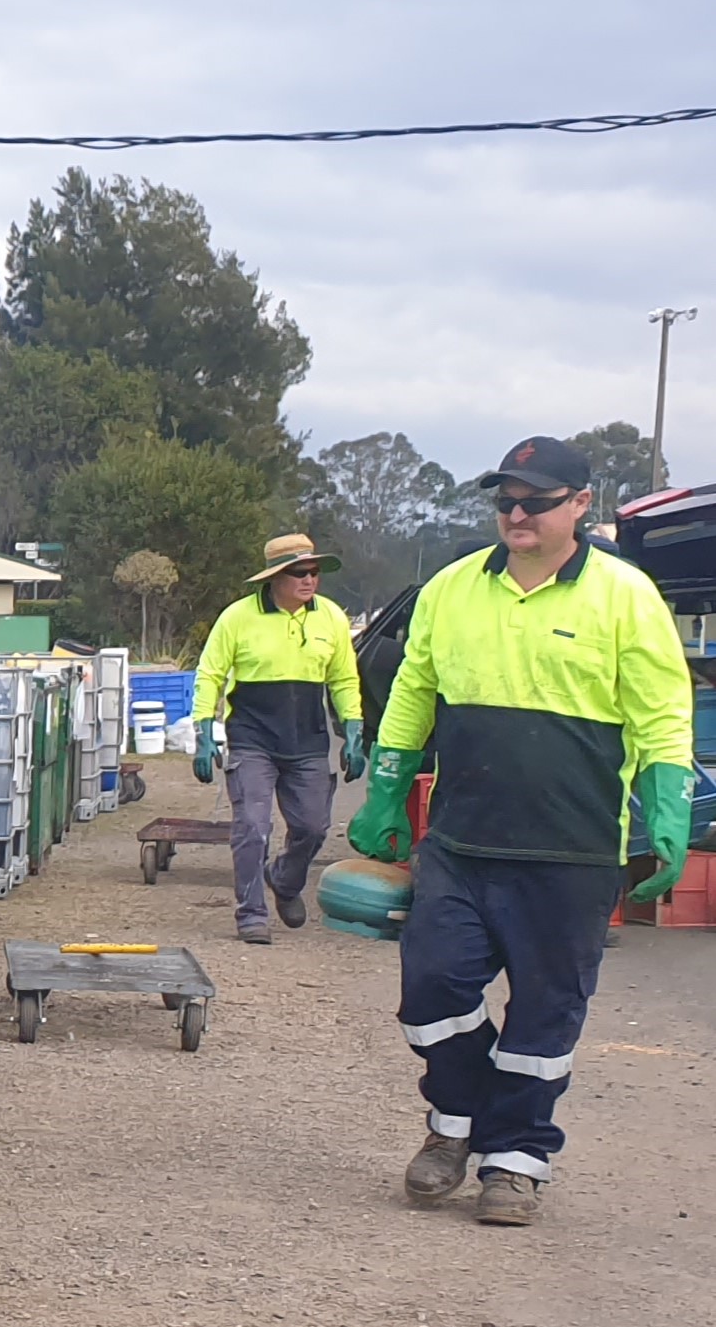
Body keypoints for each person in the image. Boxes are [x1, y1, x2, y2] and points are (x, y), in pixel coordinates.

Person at [347, 434, 695, 1226]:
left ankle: (514, 1162)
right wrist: (384, 785)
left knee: (544, 1012)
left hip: (571, 853)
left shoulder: (624, 595)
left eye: (534, 501)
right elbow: (414, 690)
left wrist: (666, 806)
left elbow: (660, 712)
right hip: (461, 843)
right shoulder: (451, 589)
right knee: (430, 990)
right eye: (503, 500)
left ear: (579, 506)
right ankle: (454, 1122)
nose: (514, 513)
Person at [188, 533, 367, 944]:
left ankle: (285, 879)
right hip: (252, 737)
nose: (309, 580)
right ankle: (251, 912)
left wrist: (354, 731)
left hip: (307, 740)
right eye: (299, 572)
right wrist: (203, 732)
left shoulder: (332, 619)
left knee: (314, 826)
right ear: (275, 577)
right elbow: (210, 674)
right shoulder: (237, 618)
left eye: (314, 571)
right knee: (252, 825)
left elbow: (343, 678)